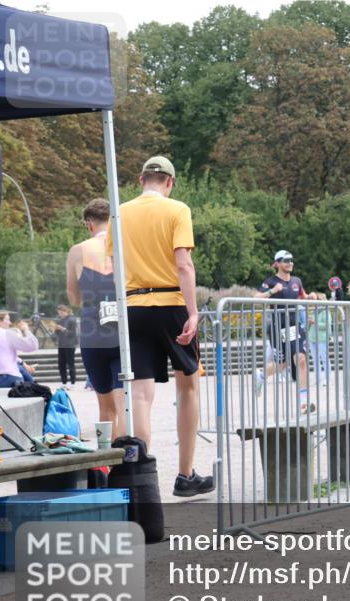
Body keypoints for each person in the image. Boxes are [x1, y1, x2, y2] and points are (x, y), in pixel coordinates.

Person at [109, 156, 212, 497]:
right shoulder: (177, 209)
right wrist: (193, 312)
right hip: (171, 304)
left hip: (134, 306)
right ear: (170, 182)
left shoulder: (119, 212)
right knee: (189, 387)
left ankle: (140, 479)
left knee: (139, 392)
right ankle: (185, 475)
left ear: (141, 179)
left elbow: (114, 265)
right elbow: (183, 264)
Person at [66, 198, 124, 439]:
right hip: (121, 332)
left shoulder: (77, 251)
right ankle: (127, 465)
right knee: (125, 407)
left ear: (89, 224)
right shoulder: (123, 246)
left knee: (105, 408)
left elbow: (74, 299)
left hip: (92, 334)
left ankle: (107, 466)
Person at [257, 250, 311, 412]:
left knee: (300, 360)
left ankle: (304, 403)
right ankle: (261, 375)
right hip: (279, 326)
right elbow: (256, 298)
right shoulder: (271, 281)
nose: (290, 263)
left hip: (295, 325)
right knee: (283, 364)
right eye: (286, 260)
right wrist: (272, 291)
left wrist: (311, 297)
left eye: (291, 260)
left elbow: (302, 297)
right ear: (277, 263)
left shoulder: (296, 281)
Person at [0, 313, 39, 388]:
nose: (10, 323)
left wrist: (21, 362)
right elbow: (33, 345)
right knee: (22, 372)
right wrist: (26, 329)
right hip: (8, 379)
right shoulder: (8, 334)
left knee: (21, 368)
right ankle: (36, 388)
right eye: (8, 319)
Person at [304, 292, 332, 386]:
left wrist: (314, 322)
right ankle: (317, 378)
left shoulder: (326, 311)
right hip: (312, 338)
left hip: (322, 338)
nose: (316, 302)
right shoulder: (313, 311)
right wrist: (308, 323)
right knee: (315, 360)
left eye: (318, 300)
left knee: (324, 359)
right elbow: (310, 325)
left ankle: (327, 379)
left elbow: (327, 325)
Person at [54, 304, 78, 388]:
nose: (59, 314)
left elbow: (73, 334)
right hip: (61, 345)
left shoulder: (72, 319)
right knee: (61, 364)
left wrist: (63, 329)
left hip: (70, 345)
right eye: (58, 313)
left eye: (60, 313)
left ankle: (72, 383)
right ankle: (64, 382)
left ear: (65, 311)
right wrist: (56, 329)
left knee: (70, 364)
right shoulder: (60, 320)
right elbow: (57, 333)